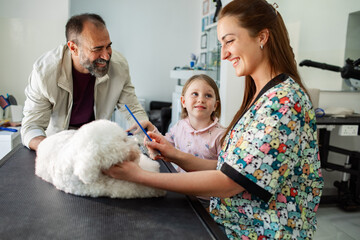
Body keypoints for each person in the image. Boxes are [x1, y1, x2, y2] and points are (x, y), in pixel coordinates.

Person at [104, 0, 324, 239]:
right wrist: (174, 153)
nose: (224, 54)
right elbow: (233, 170)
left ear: (262, 37)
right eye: (221, 44)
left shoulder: (283, 102)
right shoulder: (262, 97)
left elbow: (229, 182)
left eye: (229, 41)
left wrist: (139, 177)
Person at [21, 13, 148, 151]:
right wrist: (52, 151)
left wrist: (146, 137)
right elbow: (32, 127)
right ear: (73, 48)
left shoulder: (119, 66)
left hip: (97, 143)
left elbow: (133, 110)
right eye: (97, 49)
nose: (106, 56)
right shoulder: (44, 73)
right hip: (58, 144)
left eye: (108, 46)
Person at [130, 74, 225, 172]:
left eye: (208, 95)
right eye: (195, 94)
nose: (201, 100)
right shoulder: (179, 126)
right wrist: (150, 127)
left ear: (215, 105)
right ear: (183, 101)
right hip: (180, 184)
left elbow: (225, 168)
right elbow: (165, 144)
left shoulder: (222, 135)